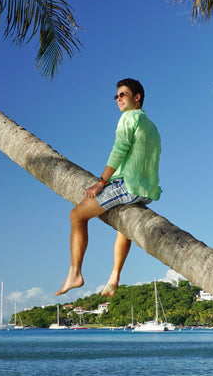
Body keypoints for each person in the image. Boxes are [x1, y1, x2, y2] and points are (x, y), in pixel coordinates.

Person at [55, 78, 162, 297]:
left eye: (123, 94)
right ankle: (114, 278)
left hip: (127, 185)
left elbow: (119, 149)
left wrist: (102, 182)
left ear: (137, 97)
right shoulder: (152, 127)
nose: (119, 99)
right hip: (146, 190)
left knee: (76, 215)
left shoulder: (128, 118)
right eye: (117, 96)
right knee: (124, 227)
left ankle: (75, 273)